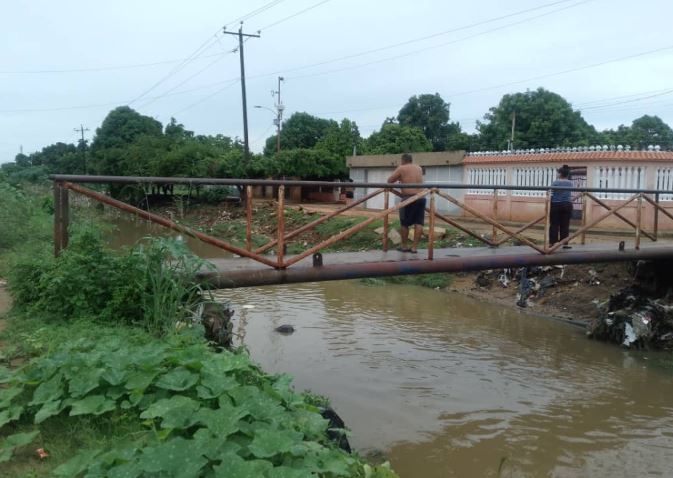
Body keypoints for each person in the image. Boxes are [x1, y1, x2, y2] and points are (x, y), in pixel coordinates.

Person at [387, 153, 425, 253]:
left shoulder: (402, 168)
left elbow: (389, 181)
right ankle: (414, 248)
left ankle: (404, 246)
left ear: (403, 160)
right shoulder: (419, 168)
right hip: (421, 198)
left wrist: (399, 178)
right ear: (411, 160)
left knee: (404, 224)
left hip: (408, 199)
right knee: (419, 222)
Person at [549, 164, 573, 248]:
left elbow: (551, 193)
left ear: (560, 173)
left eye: (558, 173)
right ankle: (564, 243)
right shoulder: (570, 183)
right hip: (567, 205)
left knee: (554, 224)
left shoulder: (555, 182)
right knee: (565, 225)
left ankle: (553, 242)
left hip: (556, 204)